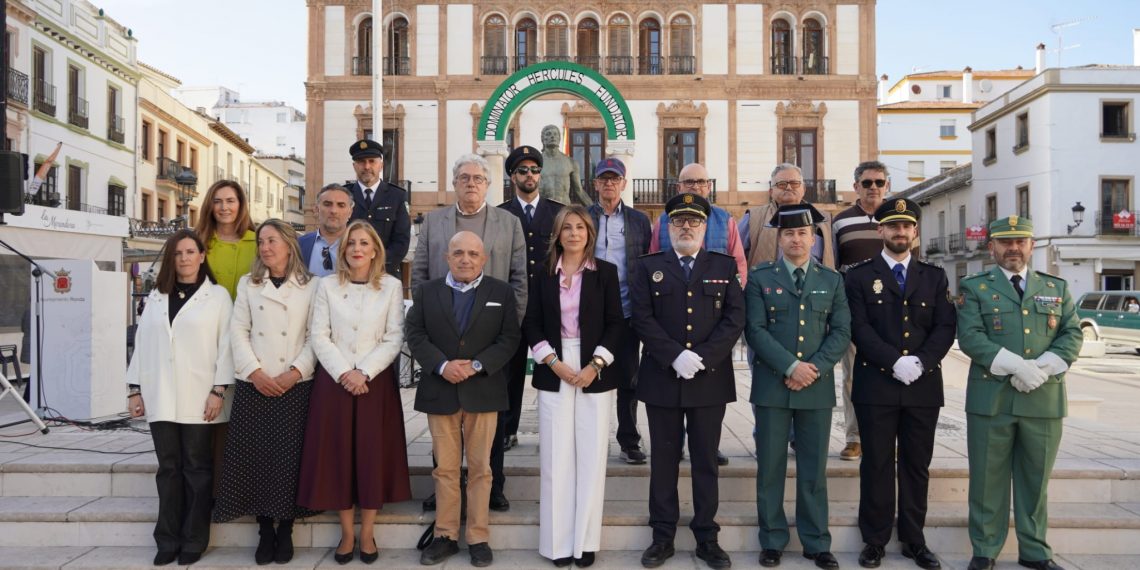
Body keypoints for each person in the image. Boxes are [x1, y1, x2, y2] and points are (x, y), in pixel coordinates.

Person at [956, 216, 1082, 570]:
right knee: (986, 479)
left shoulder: (1055, 287)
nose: (1013, 248)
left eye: (1020, 242)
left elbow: (1072, 334)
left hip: (1043, 398)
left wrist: (1041, 368)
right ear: (992, 246)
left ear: (1031, 245)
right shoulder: (974, 287)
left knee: (1035, 480)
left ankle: (1035, 551)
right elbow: (971, 337)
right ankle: (984, 550)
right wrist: (1016, 366)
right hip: (991, 399)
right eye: (1005, 242)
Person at [630, 193, 745, 570]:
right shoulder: (649, 266)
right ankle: (662, 536)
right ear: (667, 227)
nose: (686, 227)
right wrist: (674, 355)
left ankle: (706, 537)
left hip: (708, 379)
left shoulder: (723, 266)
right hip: (663, 376)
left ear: (704, 226)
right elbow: (642, 317)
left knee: (705, 461)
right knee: (663, 460)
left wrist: (703, 358)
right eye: (679, 221)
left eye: (694, 221)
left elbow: (734, 318)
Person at [844, 200, 956, 570]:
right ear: (881, 231)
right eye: (892, 226)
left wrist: (921, 362)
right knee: (875, 463)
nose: (900, 233)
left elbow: (944, 326)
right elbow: (858, 327)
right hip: (876, 383)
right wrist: (894, 361)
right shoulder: (859, 276)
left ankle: (914, 540)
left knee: (916, 464)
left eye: (906, 227)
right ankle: (874, 540)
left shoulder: (934, 276)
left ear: (916, 233)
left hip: (922, 385)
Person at [412, 153, 528, 511]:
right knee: (443, 419)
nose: (471, 183)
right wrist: (433, 328)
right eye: (464, 177)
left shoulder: (508, 223)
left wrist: (506, 330)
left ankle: (492, 487)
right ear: (455, 182)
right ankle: (442, 489)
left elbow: (520, 280)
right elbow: (418, 276)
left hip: (490, 343)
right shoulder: (433, 222)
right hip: (442, 342)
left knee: (492, 417)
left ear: (488, 184)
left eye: (478, 178)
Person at [296, 220, 410, 565]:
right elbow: (319, 335)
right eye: (350, 244)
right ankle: (347, 533)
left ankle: (369, 533)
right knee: (338, 456)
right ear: (342, 251)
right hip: (334, 383)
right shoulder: (326, 286)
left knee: (372, 455)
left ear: (375, 249)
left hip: (375, 384)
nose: (357, 249)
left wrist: (365, 372)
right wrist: (346, 372)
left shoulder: (391, 286)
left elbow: (394, 336)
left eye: (364, 243)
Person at [406, 231, 522, 568]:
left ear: (483, 258)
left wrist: (476, 365)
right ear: (447, 257)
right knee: (445, 468)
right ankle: (445, 535)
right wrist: (442, 365)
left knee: (481, 469)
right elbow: (415, 333)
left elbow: (509, 337)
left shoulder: (500, 292)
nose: (465, 259)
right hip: (440, 391)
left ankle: (478, 536)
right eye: (458, 252)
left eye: (473, 253)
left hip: (483, 392)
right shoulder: (427, 292)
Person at [745, 204, 850, 570]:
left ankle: (816, 541)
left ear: (813, 238)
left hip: (816, 388)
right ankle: (772, 539)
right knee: (770, 468)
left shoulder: (831, 280)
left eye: (803, 233)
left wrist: (813, 369)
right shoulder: (760, 278)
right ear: (779, 238)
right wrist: (790, 366)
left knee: (813, 469)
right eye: (788, 233)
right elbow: (755, 331)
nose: (795, 239)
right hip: (773, 386)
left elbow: (840, 331)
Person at [213, 219, 319, 565]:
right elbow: (238, 332)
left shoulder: (312, 286)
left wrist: (295, 372)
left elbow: (314, 336)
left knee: (289, 460)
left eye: (272, 241)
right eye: (261, 242)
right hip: (254, 384)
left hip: (295, 385)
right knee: (256, 459)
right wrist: (255, 373)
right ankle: (264, 530)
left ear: (290, 245)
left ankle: (285, 529)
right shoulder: (249, 284)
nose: (265, 248)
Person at [126, 229, 235, 567]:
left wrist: (219, 390)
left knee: (198, 470)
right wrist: (134, 389)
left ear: (202, 256)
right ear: (171, 259)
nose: (184, 258)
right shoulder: (157, 297)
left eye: (190, 252)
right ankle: (167, 538)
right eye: (178, 253)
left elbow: (227, 348)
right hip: (161, 397)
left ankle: (194, 539)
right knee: (169, 469)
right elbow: (142, 344)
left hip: (202, 397)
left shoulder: (217, 297)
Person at [523, 206, 624, 568]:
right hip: (554, 366)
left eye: (580, 227)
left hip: (594, 367)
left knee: (592, 457)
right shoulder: (543, 274)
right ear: (558, 234)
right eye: (567, 227)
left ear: (589, 233)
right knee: (556, 457)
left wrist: (595, 365)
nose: (574, 233)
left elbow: (616, 323)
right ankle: (557, 544)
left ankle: (585, 541)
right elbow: (531, 323)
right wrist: (554, 362)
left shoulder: (605, 274)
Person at [649, 162, 746, 466]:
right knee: (670, 396)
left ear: (709, 186)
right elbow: (651, 260)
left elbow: (739, 266)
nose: (694, 186)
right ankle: (672, 444)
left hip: (712, 327)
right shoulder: (664, 221)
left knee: (707, 396)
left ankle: (707, 444)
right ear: (679, 188)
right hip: (670, 325)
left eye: (700, 182)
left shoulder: (725, 220)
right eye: (688, 182)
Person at [587, 157, 652, 465]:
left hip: (628, 312)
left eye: (615, 179)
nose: (609, 184)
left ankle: (629, 440)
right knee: (589, 376)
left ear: (624, 184)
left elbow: (648, 265)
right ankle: (589, 440)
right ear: (595, 183)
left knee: (629, 379)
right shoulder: (583, 217)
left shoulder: (639, 221)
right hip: (591, 314)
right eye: (604, 179)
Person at [497, 145, 561, 453]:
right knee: (510, 370)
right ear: (513, 176)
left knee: (552, 366)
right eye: (523, 170)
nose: (530, 175)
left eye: (535, 170)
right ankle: (508, 429)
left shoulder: (558, 211)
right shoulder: (499, 214)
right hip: (511, 304)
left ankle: (554, 429)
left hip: (548, 304)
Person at [831, 161, 896, 462]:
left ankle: (885, 437)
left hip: (893, 314)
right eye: (867, 182)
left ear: (887, 186)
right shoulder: (840, 222)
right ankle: (854, 438)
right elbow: (833, 268)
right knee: (852, 377)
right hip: (855, 312)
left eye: (879, 182)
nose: (873, 188)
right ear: (855, 186)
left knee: (892, 375)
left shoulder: (900, 220)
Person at [345, 139, 411, 278]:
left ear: (381, 165)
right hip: (350, 274)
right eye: (362, 162)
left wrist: (376, 266)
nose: (367, 166)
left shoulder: (397, 196)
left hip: (385, 275)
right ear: (354, 166)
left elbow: (401, 241)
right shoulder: (344, 196)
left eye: (371, 161)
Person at [194, 179, 257, 299]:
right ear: (210, 206)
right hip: (208, 315)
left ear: (240, 204)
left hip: (246, 315)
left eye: (230, 201)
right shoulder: (198, 242)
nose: (224, 207)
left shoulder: (258, 243)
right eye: (217, 201)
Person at [300, 183, 354, 277]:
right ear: (317, 210)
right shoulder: (299, 245)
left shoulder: (360, 247)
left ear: (350, 212)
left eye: (341, 205)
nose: (333, 211)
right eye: (327, 204)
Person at [538, 124, 593, 206]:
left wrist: (593, 210)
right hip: (543, 210)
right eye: (548, 134)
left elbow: (579, 191)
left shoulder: (571, 162)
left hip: (564, 209)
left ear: (559, 138)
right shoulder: (536, 162)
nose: (552, 136)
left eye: (555, 134)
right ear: (543, 139)